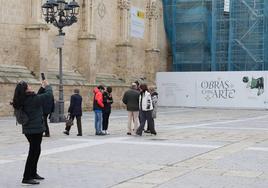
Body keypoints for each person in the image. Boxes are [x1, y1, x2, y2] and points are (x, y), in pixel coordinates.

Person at [12, 80, 52, 185]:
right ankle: (26, 177)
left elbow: (37, 96)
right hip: (35, 130)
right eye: (28, 86)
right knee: (33, 152)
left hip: (30, 130)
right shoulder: (31, 99)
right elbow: (48, 96)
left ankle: (33, 173)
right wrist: (48, 86)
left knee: (36, 150)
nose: (30, 87)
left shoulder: (25, 98)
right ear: (25, 90)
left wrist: (42, 87)